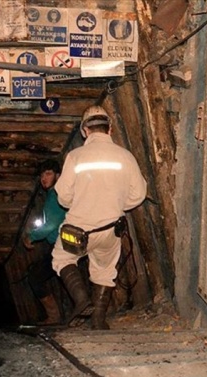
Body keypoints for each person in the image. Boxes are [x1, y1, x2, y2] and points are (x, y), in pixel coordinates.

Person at [52, 105, 147, 330]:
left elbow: (63, 197)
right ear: (110, 129)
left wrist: (80, 203)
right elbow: (139, 195)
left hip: (78, 231)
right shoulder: (126, 157)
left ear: (85, 131)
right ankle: (98, 321)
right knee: (104, 272)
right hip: (109, 230)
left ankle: (81, 298)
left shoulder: (75, 157)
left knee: (62, 259)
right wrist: (115, 205)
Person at [23, 159, 67, 325]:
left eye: (48, 173)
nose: (43, 178)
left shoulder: (55, 195)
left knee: (36, 276)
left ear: (57, 175)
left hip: (62, 244)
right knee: (56, 272)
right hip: (60, 244)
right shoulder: (53, 194)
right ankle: (61, 314)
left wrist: (31, 237)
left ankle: (55, 317)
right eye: (42, 175)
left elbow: (51, 224)